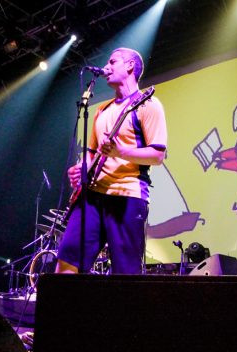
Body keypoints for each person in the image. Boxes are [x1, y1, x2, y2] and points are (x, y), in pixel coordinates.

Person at [56, 47, 167, 274]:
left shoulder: (149, 104)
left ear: (130, 67)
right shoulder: (101, 111)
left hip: (127, 196)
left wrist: (121, 152)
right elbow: (92, 151)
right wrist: (81, 168)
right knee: (67, 262)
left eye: (113, 61)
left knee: (125, 274)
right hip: (92, 196)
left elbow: (157, 155)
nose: (106, 67)